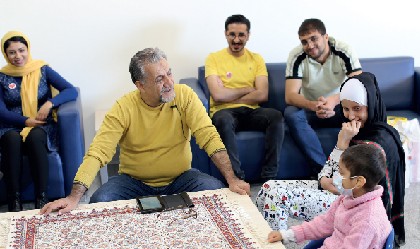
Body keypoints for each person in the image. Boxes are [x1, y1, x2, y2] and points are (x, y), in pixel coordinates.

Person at [40, 47, 250, 215]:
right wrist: (74, 197)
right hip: (133, 183)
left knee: (218, 194)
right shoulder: (123, 107)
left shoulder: (184, 95)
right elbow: (97, 153)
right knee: (99, 202)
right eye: (160, 79)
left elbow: (209, 136)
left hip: (181, 178)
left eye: (169, 73)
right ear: (140, 85)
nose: (169, 83)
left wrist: (232, 179)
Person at [257, 72, 405, 249]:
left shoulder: (377, 141)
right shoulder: (353, 133)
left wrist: (341, 148)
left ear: (371, 105)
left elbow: (345, 188)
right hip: (339, 197)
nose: (350, 116)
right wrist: (340, 147)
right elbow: (325, 175)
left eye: (357, 109)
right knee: (267, 188)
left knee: (276, 196)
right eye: (345, 108)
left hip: (356, 209)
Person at [268, 144, 392, 249]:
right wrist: (288, 235)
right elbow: (323, 223)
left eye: (342, 174)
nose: (336, 178)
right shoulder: (349, 196)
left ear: (359, 181)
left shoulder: (368, 219)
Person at [0, 31, 78, 212]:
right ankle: (14, 200)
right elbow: (1, 112)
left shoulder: (42, 70)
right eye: (12, 52)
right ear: (5, 55)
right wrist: (26, 120)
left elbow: (70, 90)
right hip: (12, 127)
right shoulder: (2, 76)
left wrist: (50, 103)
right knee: (11, 139)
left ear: (28, 49)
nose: (18, 56)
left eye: (21, 50)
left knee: (35, 137)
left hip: (42, 127)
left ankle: (41, 197)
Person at [205, 14, 284, 181]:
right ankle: (236, 178)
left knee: (275, 116)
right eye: (232, 34)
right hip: (223, 112)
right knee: (223, 120)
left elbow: (262, 94)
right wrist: (248, 89)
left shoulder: (256, 59)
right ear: (226, 34)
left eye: (241, 35)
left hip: (251, 111)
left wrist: (229, 94)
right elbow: (217, 95)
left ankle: (269, 176)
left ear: (248, 35)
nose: (236, 39)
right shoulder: (213, 58)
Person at [284, 18, 362, 176]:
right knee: (291, 113)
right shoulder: (296, 55)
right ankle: (323, 172)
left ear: (326, 37)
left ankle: (358, 169)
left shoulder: (343, 50)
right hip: (312, 108)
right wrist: (314, 105)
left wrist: (333, 101)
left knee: (362, 109)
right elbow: (290, 95)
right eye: (304, 42)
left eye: (314, 39)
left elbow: (359, 85)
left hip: (339, 106)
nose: (310, 45)